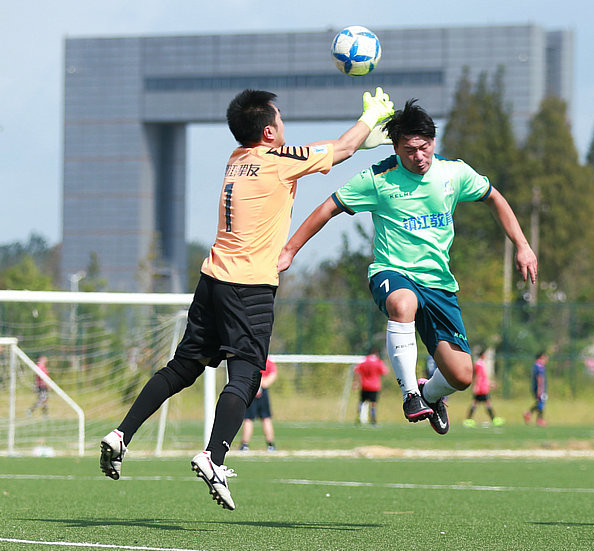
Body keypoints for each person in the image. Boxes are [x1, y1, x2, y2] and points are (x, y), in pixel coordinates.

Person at [100, 86, 395, 510]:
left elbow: (337, 148)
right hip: (250, 285)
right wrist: (370, 117)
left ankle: (121, 434)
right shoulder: (277, 161)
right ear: (271, 131)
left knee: (183, 367)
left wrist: (364, 136)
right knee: (246, 374)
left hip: (213, 277)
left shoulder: (237, 160)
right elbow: (343, 149)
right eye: (280, 118)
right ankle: (213, 455)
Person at [278, 99, 537, 436]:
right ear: (396, 147)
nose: (419, 156)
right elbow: (328, 208)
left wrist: (523, 245)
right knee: (403, 303)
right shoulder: (377, 178)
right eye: (411, 149)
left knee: (461, 376)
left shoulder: (453, 172)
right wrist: (289, 250)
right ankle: (410, 395)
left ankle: (429, 394)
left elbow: (494, 197)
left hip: (439, 284)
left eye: (425, 146)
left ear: (433, 142)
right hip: (392, 272)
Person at [239, 356, 277, 452]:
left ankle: (245, 445)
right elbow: (273, 374)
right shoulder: (267, 359)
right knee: (264, 418)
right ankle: (270, 445)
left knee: (250, 419)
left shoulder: (251, 358)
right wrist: (263, 384)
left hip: (253, 390)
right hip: (260, 391)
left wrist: (258, 384)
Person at [463, 349, 504, 427]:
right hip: (481, 388)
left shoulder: (482, 363)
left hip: (483, 387)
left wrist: (489, 384)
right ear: (482, 355)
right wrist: (476, 386)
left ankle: (469, 419)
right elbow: (477, 376)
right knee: (484, 403)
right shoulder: (479, 364)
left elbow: (483, 377)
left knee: (479, 403)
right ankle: (493, 419)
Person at [353, 347, 389, 425]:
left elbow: (356, 370)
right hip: (374, 386)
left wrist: (356, 382)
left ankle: (358, 416)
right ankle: (373, 418)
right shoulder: (378, 362)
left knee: (362, 402)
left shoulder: (364, 360)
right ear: (377, 354)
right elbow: (384, 372)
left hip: (364, 385)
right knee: (373, 403)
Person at [524, 351, 548, 427]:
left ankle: (528, 414)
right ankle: (539, 420)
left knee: (539, 403)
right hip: (540, 388)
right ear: (541, 357)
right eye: (545, 358)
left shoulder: (535, 366)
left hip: (537, 388)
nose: (546, 360)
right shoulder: (540, 367)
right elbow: (539, 378)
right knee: (541, 403)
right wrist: (540, 390)